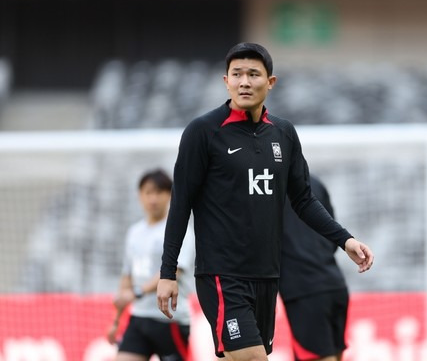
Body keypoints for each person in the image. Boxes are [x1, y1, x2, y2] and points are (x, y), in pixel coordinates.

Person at [156, 42, 374, 361]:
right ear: (226, 81)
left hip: (267, 277)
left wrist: (345, 240)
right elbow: (180, 205)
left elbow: (303, 200)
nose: (245, 81)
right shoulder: (203, 132)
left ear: (270, 82)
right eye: (237, 74)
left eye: (254, 74)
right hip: (222, 275)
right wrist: (167, 273)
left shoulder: (283, 134)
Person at [107, 169, 195, 361]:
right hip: (139, 317)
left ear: (169, 195)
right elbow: (126, 278)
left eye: (159, 192)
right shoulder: (134, 232)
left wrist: (137, 292)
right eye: (148, 192)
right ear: (140, 196)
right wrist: (116, 320)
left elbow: (174, 272)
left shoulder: (180, 231)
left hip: (170, 319)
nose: (153, 199)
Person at [280, 175, 349, 361]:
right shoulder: (314, 183)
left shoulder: (264, 188)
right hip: (335, 283)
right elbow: (332, 236)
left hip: (304, 291)